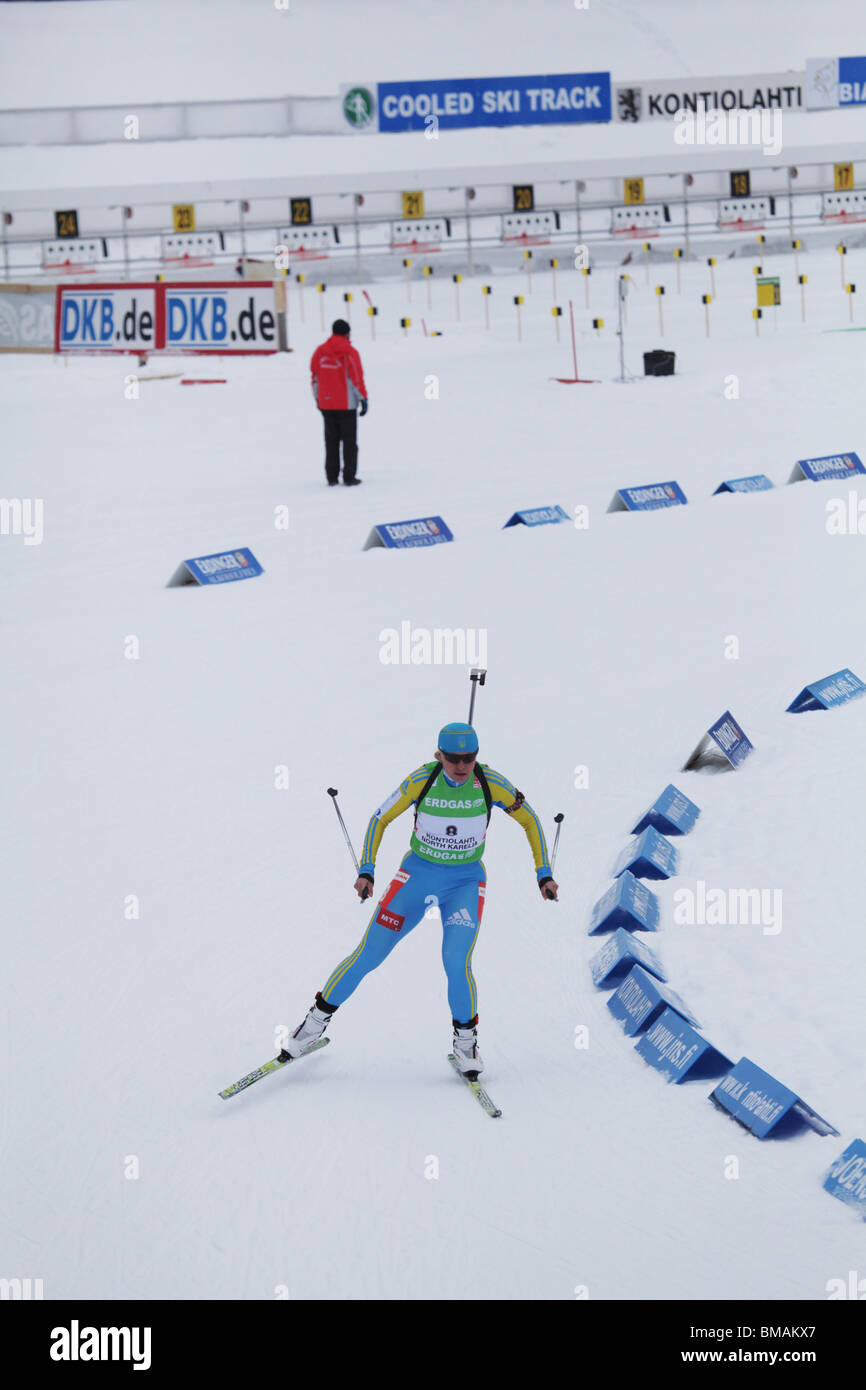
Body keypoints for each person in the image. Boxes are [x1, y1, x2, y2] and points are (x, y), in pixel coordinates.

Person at [286, 722, 559, 1076]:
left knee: (456, 961)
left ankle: (465, 1043)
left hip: (464, 881)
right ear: (438, 755)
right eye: (453, 758)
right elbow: (379, 818)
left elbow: (531, 821)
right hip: (417, 877)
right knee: (370, 953)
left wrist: (544, 874)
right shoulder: (422, 780)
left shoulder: (492, 783)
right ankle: (312, 1026)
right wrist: (367, 870)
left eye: (469, 758)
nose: (461, 766)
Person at [309, 318, 368, 487]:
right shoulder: (350, 352)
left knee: (331, 442)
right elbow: (356, 378)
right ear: (347, 333)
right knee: (349, 442)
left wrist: (318, 399)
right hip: (347, 405)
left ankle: (332, 477)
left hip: (327, 405)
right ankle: (349, 476)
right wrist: (363, 398)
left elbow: (315, 378)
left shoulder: (319, 352)